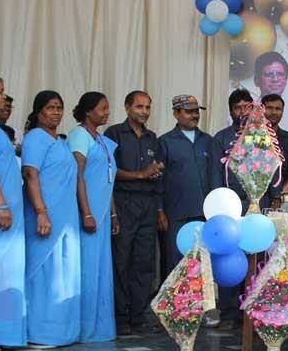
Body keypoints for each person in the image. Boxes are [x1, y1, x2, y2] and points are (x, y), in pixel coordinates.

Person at [212, 89, 279, 328]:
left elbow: (272, 169)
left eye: (246, 107)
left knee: (258, 257)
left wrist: (274, 199)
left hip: (257, 205)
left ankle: (253, 312)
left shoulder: (262, 135)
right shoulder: (221, 138)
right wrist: (219, 204)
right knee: (230, 257)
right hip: (230, 206)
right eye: (237, 107)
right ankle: (229, 313)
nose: (242, 112)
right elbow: (215, 174)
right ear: (230, 110)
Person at [21, 91, 81, 346]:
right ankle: (38, 333)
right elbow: (30, 175)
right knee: (43, 273)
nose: (56, 112)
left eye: (59, 107)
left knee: (63, 272)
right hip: (44, 216)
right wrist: (41, 212)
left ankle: (62, 333)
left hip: (66, 217)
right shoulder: (35, 137)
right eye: (50, 108)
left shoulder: (59, 141)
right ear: (38, 112)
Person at [104, 91, 164, 335]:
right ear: (127, 107)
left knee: (144, 262)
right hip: (123, 202)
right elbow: (108, 170)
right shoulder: (114, 134)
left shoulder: (152, 138)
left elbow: (155, 173)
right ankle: (121, 317)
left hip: (147, 203)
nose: (144, 112)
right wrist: (140, 174)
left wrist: (155, 172)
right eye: (139, 107)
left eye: (148, 107)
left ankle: (138, 316)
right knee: (121, 260)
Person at [67, 92, 118, 343]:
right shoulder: (79, 135)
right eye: (102, 108)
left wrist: (114, 213)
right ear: (88, 111)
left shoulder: (101, 139)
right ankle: (83, 328)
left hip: (102, 213)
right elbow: (78, 176)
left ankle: (98, 327)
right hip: (86, 213)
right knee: (87, 269)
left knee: (100, 269)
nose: (107, 112)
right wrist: (86, 212)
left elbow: (108, 179)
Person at [0, 74, 26, 348]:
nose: (4, 97)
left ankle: (0, 333)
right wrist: (1, 203)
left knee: (4, 272)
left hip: (6, 211)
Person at [157, 95, 213, 275]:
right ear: (176, 113)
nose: (194, 115)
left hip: (204, 214)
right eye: (189, 111)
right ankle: (173, 295)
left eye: (196, 111)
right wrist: (159, 210)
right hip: (176, 214)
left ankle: (201, 295)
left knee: (202, 262)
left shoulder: (208, 141)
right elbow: (158, 180)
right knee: (176, 264)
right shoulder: (165, 142)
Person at [261, 94, 288, 200]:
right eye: (269, 108)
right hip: (253, 199)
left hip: (282, 200)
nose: (274, 112)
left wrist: (279, 195)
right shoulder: (250, 137)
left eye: (278, 109)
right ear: (261, 110)